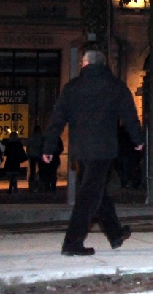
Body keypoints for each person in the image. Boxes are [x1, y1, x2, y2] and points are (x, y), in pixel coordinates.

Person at [43, 46, 143, 256]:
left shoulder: (72, 87)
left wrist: (49, 146)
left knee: (95, 190)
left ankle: (115, 233)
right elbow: (130, 115)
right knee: (90, 193)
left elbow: (57, 119)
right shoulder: (116, 86)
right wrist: (138, 139)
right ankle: (72, 242)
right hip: (104, 148)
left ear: (86, 63)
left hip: (80, 149)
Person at [26, 125, 44, 192]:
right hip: (40, 155)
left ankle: (31, 186)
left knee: (32, 171)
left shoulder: (31, 137)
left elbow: (28, 146)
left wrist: (28, 153)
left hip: (32, 155)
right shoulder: (41, 137)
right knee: (41, 170)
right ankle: (41, 186)